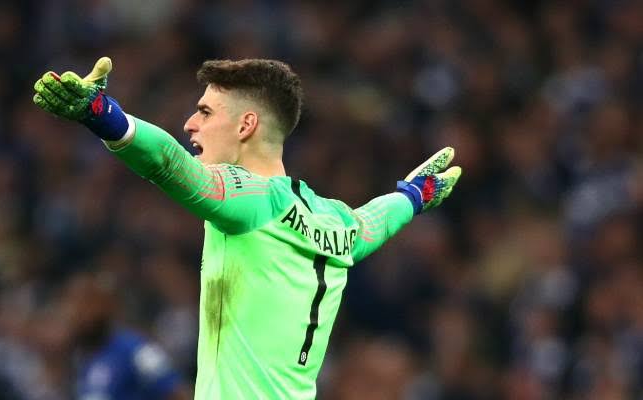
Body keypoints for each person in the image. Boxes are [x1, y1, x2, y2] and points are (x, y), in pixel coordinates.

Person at [33, 57, 461, 399]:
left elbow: (167, 162)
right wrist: (413, 196)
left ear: (246, 125)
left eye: (205, 111)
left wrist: (103, 115)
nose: (190, 123)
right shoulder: (334, 220)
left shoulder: (255, 199)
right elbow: (374, 223)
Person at [61, 272, 189, 400]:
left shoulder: (135, 349)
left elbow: (177, 392)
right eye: (74, 306)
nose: (80, 314)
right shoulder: (80, 360)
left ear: (106, 306)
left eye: (88, 304)